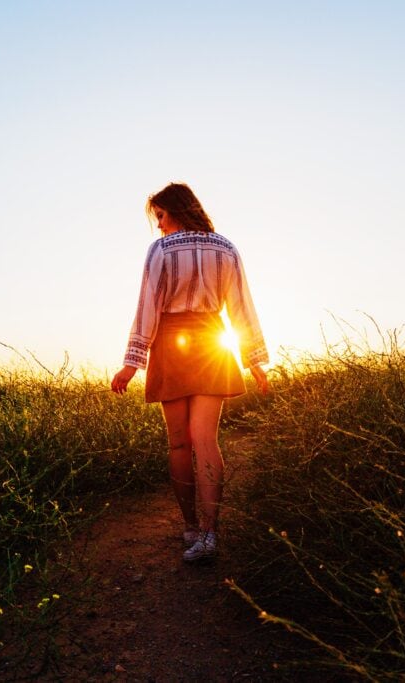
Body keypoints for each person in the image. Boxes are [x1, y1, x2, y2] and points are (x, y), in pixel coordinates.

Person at [111, 182, 269, 562]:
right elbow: (240, 307)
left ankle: (191, 528)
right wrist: (254, 360)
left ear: (176, 211)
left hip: (171, 343)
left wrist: (132, 363)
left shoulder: (161, 250)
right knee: (206, 440)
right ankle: (210, 533)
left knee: (180, 443)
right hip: (212, 343)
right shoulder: (227, 247)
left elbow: (147, 305)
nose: (160, 226)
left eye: (161, 216)